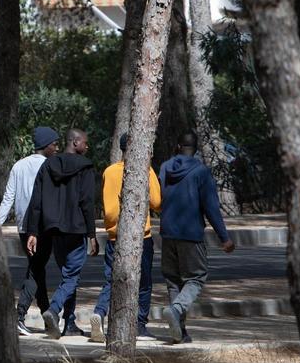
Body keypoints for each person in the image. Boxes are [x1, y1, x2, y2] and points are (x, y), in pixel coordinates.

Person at [159, 132, 236, 344]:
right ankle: (176, 310)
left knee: (173, 281)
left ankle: (179, 332)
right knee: (195, 277)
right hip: (191, 234)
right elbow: (211, 207)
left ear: (177, 146)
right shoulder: (201, 172)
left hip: (167, 232)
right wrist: (224, 237)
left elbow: (158, 196)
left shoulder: (165, 168)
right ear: (196, 148)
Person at [88, 133, 162, 343]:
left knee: (112, 279)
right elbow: (157, 202)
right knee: (144, 282)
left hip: (114, 236)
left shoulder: (110, 171)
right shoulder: (145, 169)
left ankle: (100, 313)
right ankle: (139, 325)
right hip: (141, 236)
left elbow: (107, 206)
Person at [25, 128, 99, 339]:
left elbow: (36, 200)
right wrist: (91, 234)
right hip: (76, 229)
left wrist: (33, 231)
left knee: (68, 276)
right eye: (85, 142)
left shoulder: (47, 165)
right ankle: (53, 310)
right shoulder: (86, 167)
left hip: (54, 230)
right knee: (71, 276)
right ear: (75, 142)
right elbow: (87, 202)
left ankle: (70, 322)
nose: (87, 146)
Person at [0, 126, 60, 337]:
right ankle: (19, 316)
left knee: (37, 268)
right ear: (45, 145)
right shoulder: (51, 165)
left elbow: (9, 197)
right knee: (35, 269)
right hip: (42, 226)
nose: (57, 147)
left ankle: (47, 315)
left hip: (24, 226)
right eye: (54, 144)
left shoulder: (19, 165)